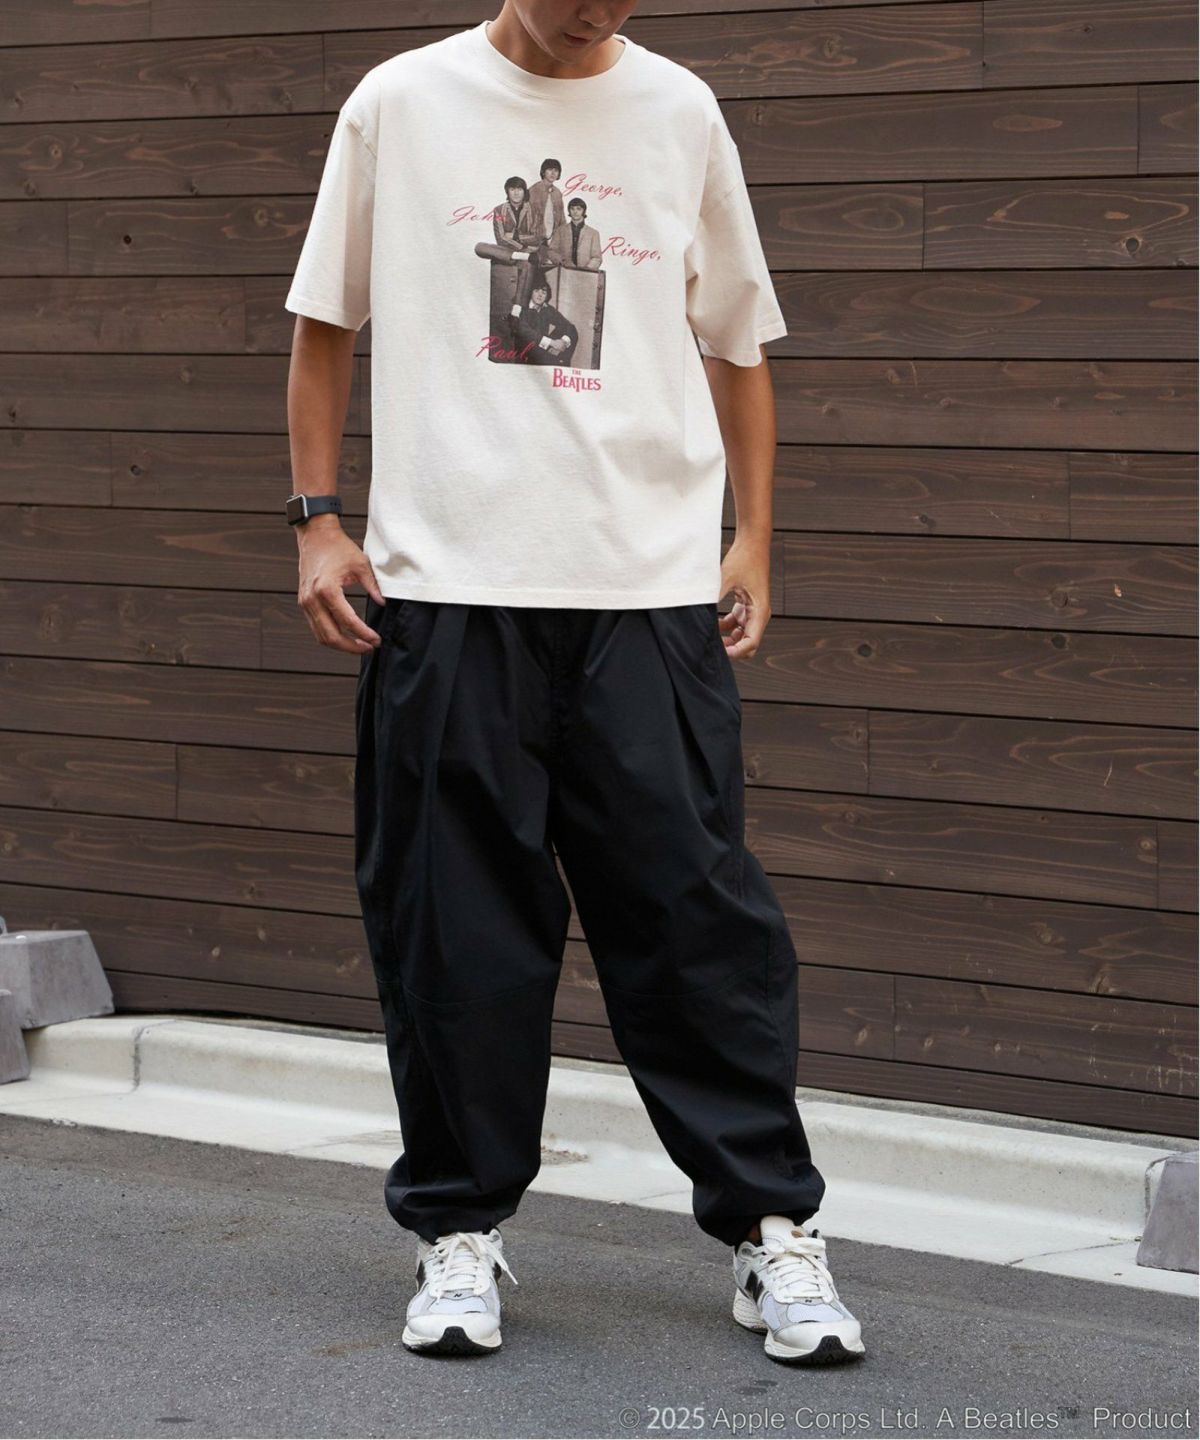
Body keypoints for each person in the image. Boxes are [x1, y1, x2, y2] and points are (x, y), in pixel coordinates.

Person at [283, 0, 865, 1368]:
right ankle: (458, 1231)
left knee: (699, 926)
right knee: (454, 934)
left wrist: (753, 539)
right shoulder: (400, 104)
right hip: (450, 591)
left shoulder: (679, 110)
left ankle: (771, 1228)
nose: (603, 11)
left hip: (647, 596)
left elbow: (737, 342)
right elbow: (323, 319)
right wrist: (316, 517)